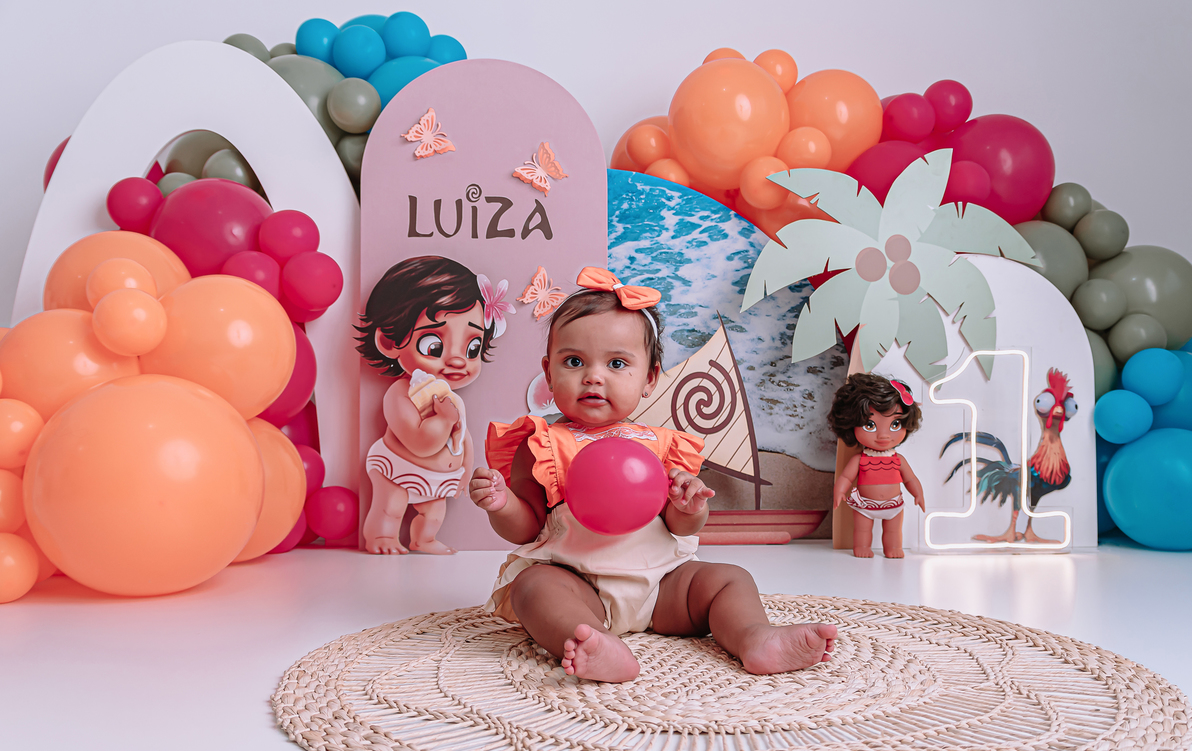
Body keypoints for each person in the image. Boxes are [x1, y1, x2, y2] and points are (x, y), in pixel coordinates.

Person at [468, 267, 837, 683]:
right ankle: (594, 641)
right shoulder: (542, 445)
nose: (593, 376)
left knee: (730, 579)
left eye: (616, 363)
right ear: (549, 373)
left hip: (663, 586)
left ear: (649, 378)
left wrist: (689, 506)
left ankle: (754, 637)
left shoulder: (661, 445)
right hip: (578, 584)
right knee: (533, 587)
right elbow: (526, 527)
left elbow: (679, 526)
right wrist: (502, 504)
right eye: (574, 361)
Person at [356, 255, 513, 554]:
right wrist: (443, 420)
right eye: (434, 345)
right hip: (397, 469)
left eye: (472, 347)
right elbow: (419, 442)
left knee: (434, 513)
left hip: (437, 479)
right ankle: (382, 537)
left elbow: (462, 436)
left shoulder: (450, 398)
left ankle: (423, 539)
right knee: (391, 505)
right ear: (389, 343)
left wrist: (465, 469)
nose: (458, 360)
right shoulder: (400, 393)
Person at [828, 373, 925, 559]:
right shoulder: (859, 459)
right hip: (865, 505)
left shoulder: (898, 459)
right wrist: (839, 491)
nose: (883, 435)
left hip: (894, 505)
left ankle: (893, 548)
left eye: (895, 424)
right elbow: (846, 477)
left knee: (893, 530)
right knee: (862, 530)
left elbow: (910, 479)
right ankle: (862, 546)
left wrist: (918, 494)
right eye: (870, 425)